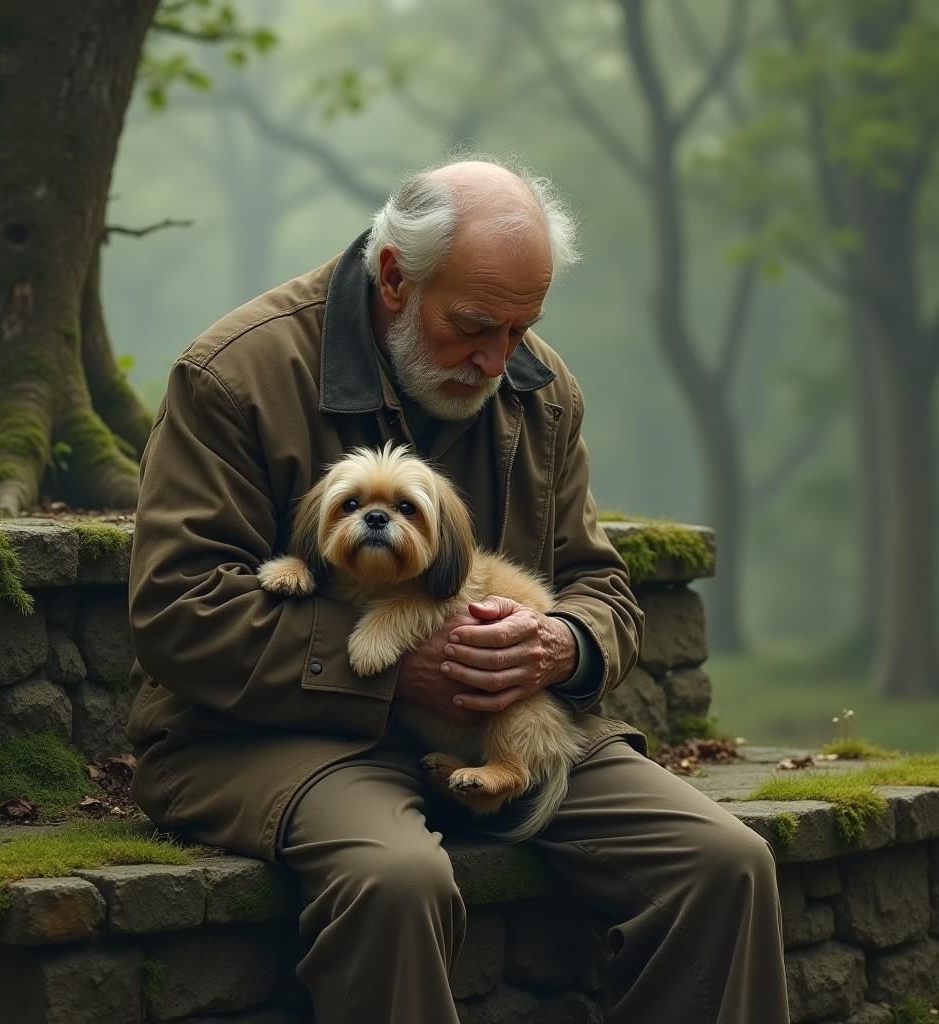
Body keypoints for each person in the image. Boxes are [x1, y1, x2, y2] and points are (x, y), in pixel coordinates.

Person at [126, 157, 788, 1023]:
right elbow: (178, 611)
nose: (496, 360)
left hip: (502, 730)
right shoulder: (236, 375)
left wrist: (562, 644)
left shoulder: (536, 385)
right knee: (397, 881)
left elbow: (600, 587)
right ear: (396, 276)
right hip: (274, 735)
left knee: (724, 865)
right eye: (474, 326)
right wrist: (401, 667)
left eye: (520, 329)